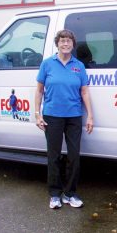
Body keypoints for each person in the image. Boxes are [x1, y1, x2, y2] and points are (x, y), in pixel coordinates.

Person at [34, 29, 94, 210]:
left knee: (74, 156)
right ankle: (54, 194)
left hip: (74, 115)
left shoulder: (79, 66)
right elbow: (39, 91)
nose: (66, 44)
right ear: (57, 43)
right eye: (62, 41)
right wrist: (37, 114)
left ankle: (70, 194)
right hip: (52, 116)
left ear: (73, 44)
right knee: (54, 156)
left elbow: (84, 91)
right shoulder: (47, 64)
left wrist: (90, 115)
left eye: (69, 41)